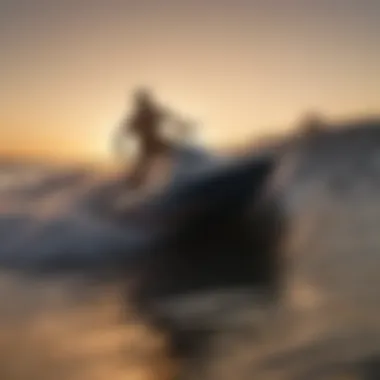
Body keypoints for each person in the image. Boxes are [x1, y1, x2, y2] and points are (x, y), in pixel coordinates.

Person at [114, 88, 184, 189]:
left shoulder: (150, 111)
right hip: (148, 145)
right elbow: (128, 129)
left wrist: (181, 124)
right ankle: (133, 184)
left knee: (175, 154)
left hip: (155, 142)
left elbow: (168, 117)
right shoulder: (139, 115)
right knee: (143, 167)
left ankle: (179, 175)